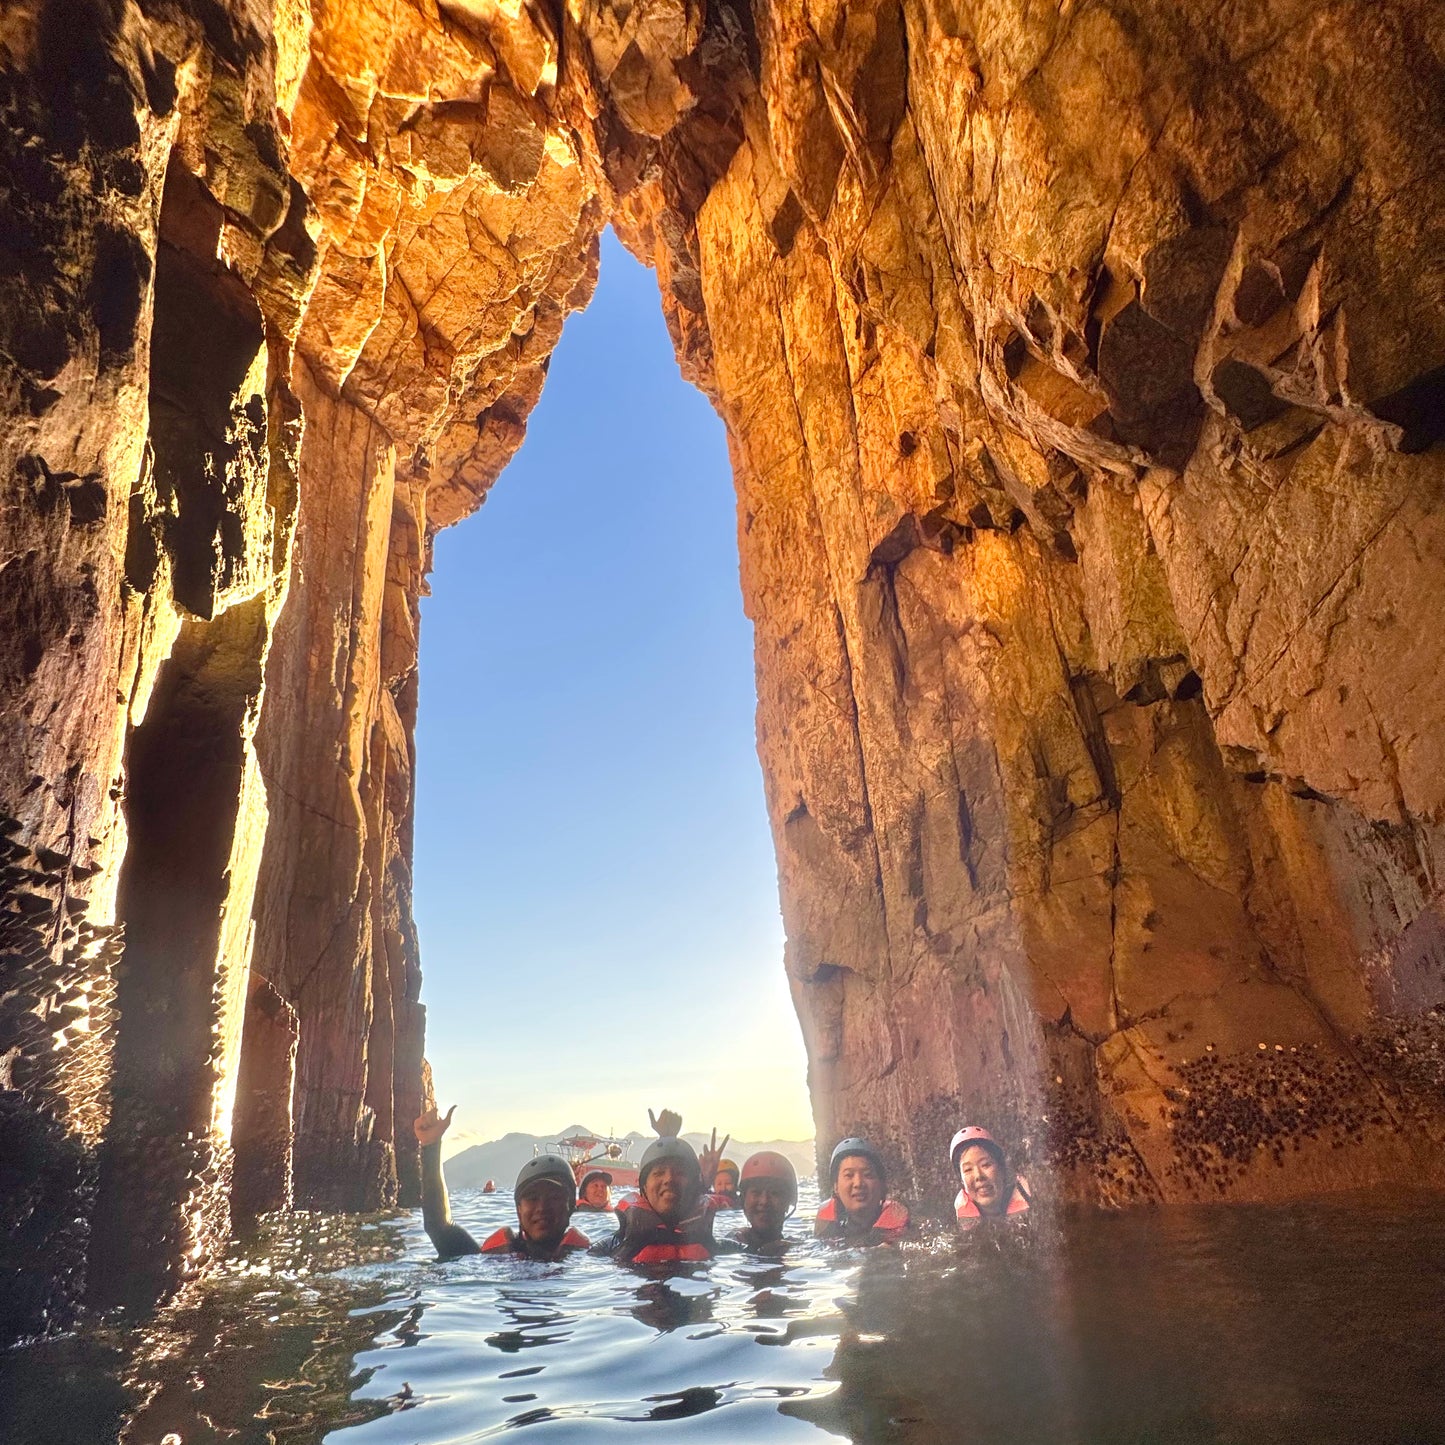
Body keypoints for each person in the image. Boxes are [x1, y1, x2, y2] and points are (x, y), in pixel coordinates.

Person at [413, 1105, 590, 1261]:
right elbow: (439, 1227)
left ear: (571, 1206)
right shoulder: (494, 1257)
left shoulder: (596, 1257)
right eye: (532, 1198)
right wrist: (431, 1145)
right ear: (519, 1209)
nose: (542, 1207)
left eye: (553, 1198)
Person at [596, 1134, 738, 1263]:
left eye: (680, 1173)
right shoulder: (610, 1248)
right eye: (658, 1173)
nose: (669, 1179)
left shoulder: (721, 1247)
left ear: (694, 1185)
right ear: (644, 1187)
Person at [814, 1136, 910, 1244]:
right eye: (849, 1175)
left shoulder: (902, 1228)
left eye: (868, 1175)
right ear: (836, 1187)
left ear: (882, 1185)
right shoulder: (827, 1229)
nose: (858, 1183)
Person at [950, 1126, 1031, 1229]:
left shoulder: (1029, 1196)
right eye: (968, 1170)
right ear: (961, 1181)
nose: (978, 1176)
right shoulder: (958, 1216)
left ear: (1002, 1169)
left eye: (986, 1165)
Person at [731, 1151, 799, 1255]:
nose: (764, 1201)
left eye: (774, 1193)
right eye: (756, 1193)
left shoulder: (797, 1249)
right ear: (743, 1200)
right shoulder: (732, 1242)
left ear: (788, 1201)